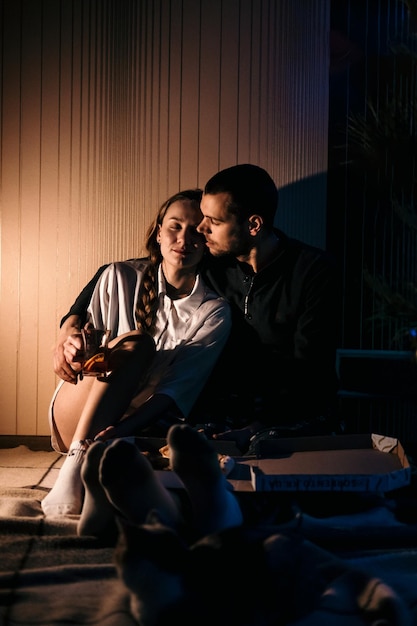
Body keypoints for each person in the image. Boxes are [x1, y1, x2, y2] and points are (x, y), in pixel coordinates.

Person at [54, 164, 339, 455]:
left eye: (211, 221)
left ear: (253, 225)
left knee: (245, 448)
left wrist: (255, 427)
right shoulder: (216, 258)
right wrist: (69, 326)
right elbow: (130, 268)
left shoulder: (314, 272)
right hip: (223, 407)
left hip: (287, 407)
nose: (200, 231)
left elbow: (309, 371)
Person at [41, 189, 231, 517]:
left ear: (207, 242)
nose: (183, 239)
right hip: (77, 415)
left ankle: (102, 491)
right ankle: (75, 464)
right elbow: (88, 364)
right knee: (139, 344)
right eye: (174, 226)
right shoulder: (118, 277)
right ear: (158, 232)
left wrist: (123, 430)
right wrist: (73, 348)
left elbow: (175, 391)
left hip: (135, 428)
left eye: (196, 231)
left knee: (152, 476)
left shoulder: (213, 311)